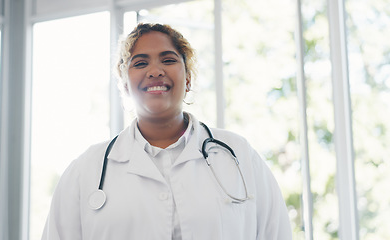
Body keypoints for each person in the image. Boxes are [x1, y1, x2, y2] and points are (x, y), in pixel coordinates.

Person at [42, 23, 292, 240]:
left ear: (188, 78)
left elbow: (276, 233)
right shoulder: (86, 170)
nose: (155, 71)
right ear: (125, 85)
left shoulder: (240, 156)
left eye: (169, 60)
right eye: (140, 63)